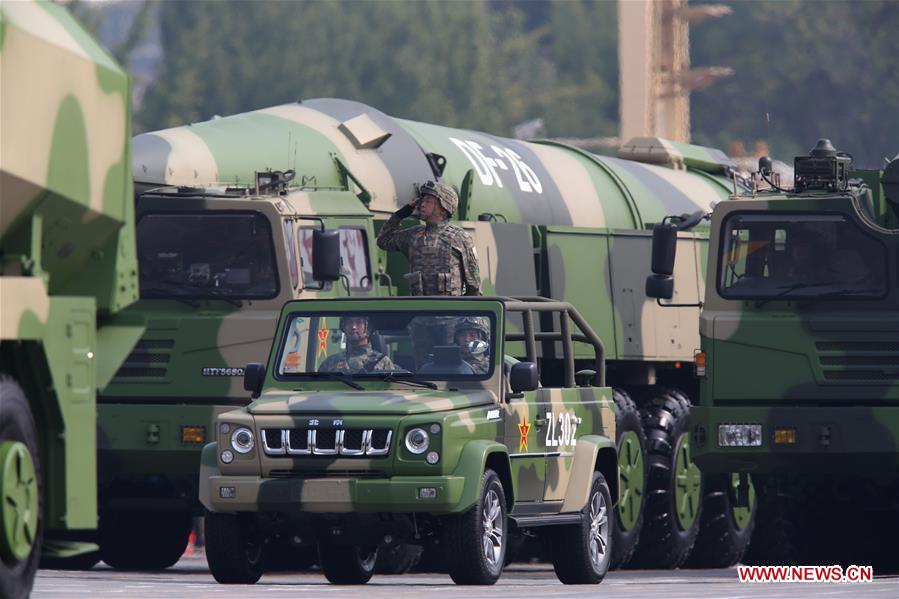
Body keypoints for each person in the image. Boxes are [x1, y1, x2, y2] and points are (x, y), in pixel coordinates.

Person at [377, 180, 481, 296]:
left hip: (450, 312)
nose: (422, 204)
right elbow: (383, 240)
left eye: (428, 201)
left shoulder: (460, 238)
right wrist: (403, 213)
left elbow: (474, 288)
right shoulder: (413, 236)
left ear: (443, 207)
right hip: (421, 311)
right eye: (422, 200)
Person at [318, 316, 397, 374]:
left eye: (359, 322)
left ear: (368, 327)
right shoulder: (330, 362)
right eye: (349, 322)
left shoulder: (383, 362)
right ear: (344, 327)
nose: (353, 327)